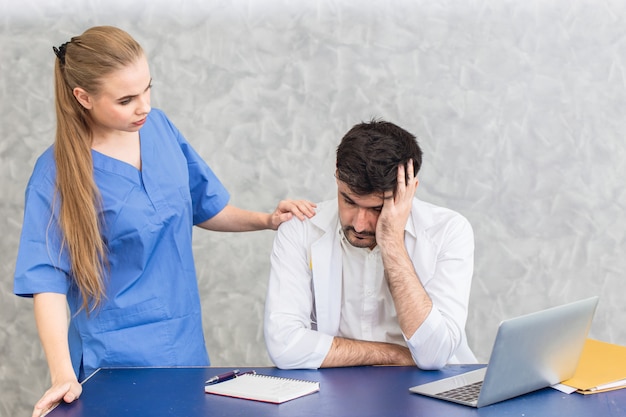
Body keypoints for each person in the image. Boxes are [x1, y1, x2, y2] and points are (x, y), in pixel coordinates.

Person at [13, 26, 315, 417]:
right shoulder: (55, 173)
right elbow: (47, 283)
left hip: (185, 350)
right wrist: (61, 375)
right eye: (125, 100)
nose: (143, 107)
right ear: (83, 97)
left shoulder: (160, 129)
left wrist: (267, 219)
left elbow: (204, 206)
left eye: (147, 90)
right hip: (113, 363)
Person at [264, 119, 477, 370]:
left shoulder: (449, 231)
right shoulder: (300, 229)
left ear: (410, 189)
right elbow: (284, 345)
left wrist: (392, 243)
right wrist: (395, 355)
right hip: (338, 393)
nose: (361, 225)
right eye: (349, 201)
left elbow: (434, 355)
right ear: (336, 174)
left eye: (377, 208)